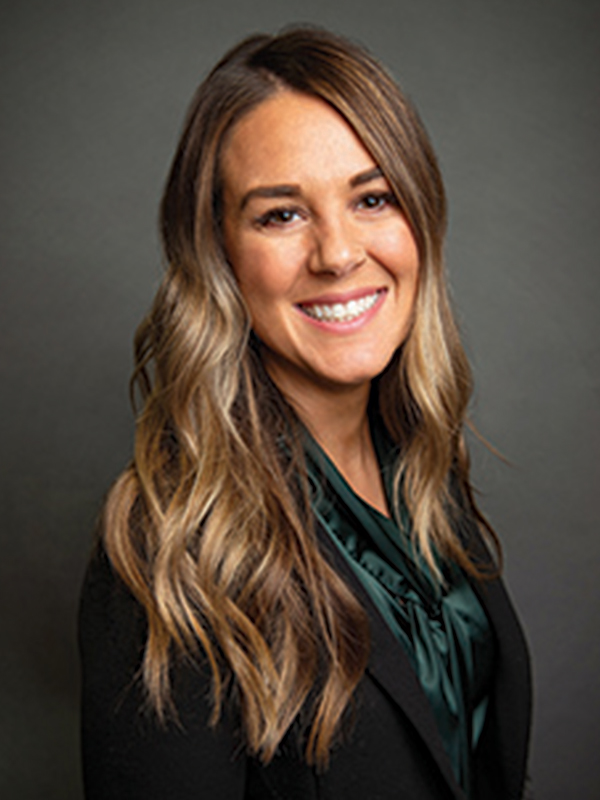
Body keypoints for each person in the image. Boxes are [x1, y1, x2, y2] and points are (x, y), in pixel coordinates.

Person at [79, 26, 532, 800]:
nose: (338, 253)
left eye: (373, 198)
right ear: (217, 252)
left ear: (419, 217)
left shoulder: (424, 472)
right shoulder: (170, 555)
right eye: (281, 215)